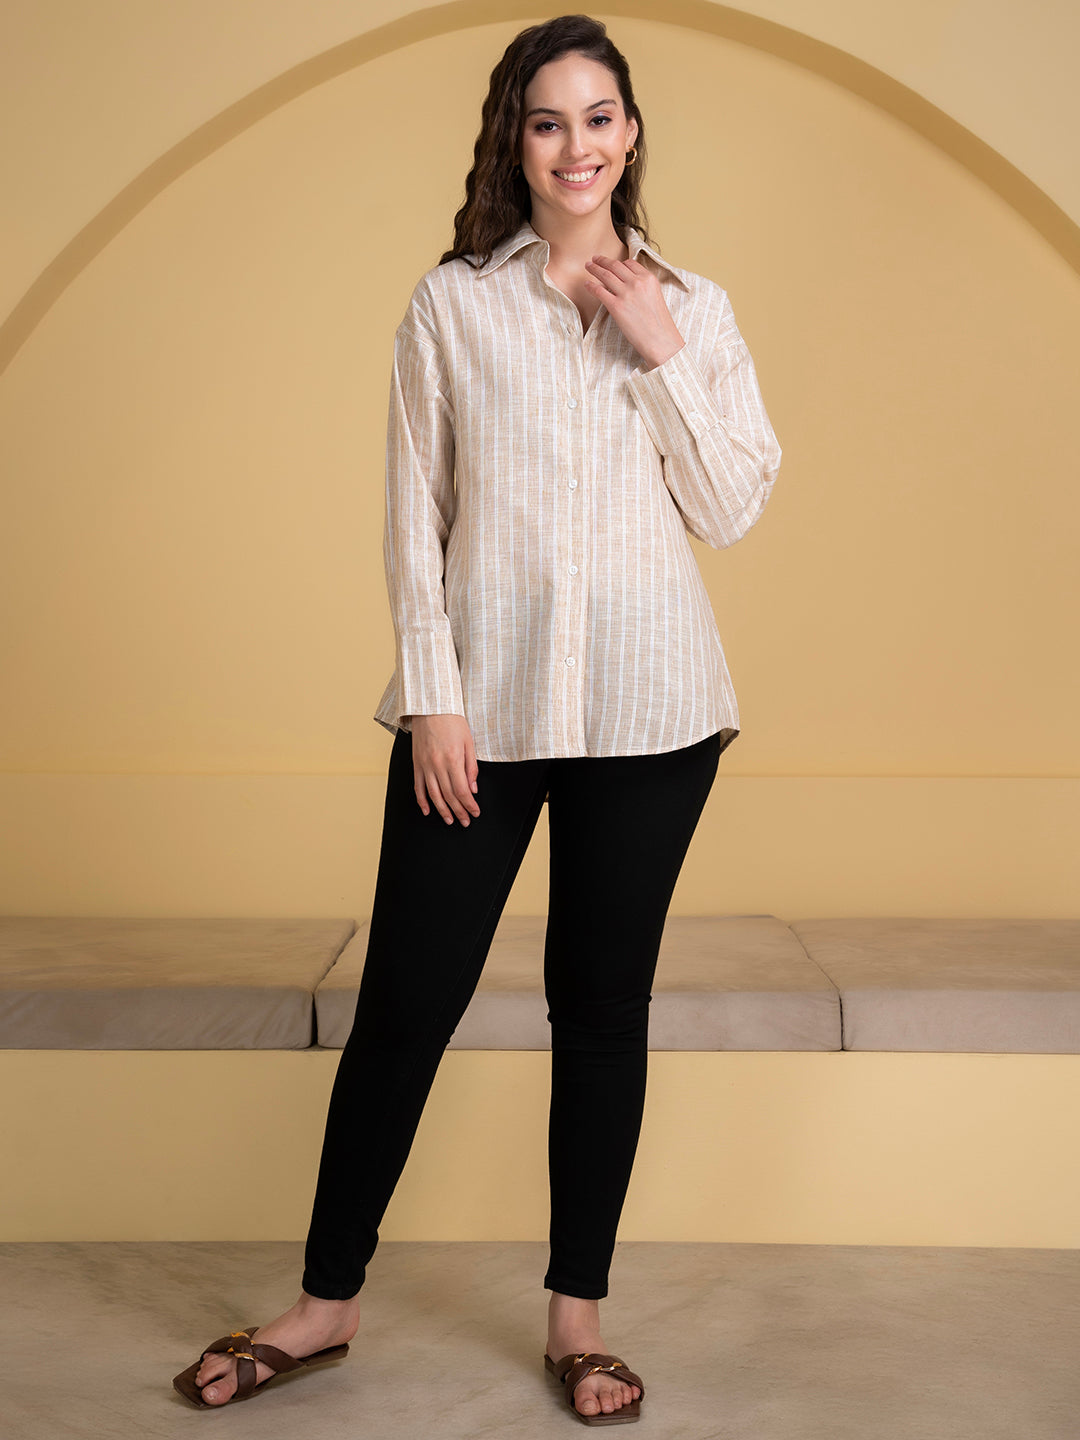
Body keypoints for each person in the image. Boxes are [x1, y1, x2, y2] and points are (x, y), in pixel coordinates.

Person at [174, 12, 781, 1425]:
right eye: (549, 120)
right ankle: (326, 1302)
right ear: (517, 140)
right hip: (480, 715)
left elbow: (731, 508)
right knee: (407, 1002)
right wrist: (436, 699)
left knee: (602, 1011)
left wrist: (661, 350)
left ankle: (578, 1320)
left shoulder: (694, 306)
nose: (578, 146)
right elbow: (415, 516)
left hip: (654, 710)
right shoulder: (452, 305)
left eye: (600, 116)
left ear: (633, 132)